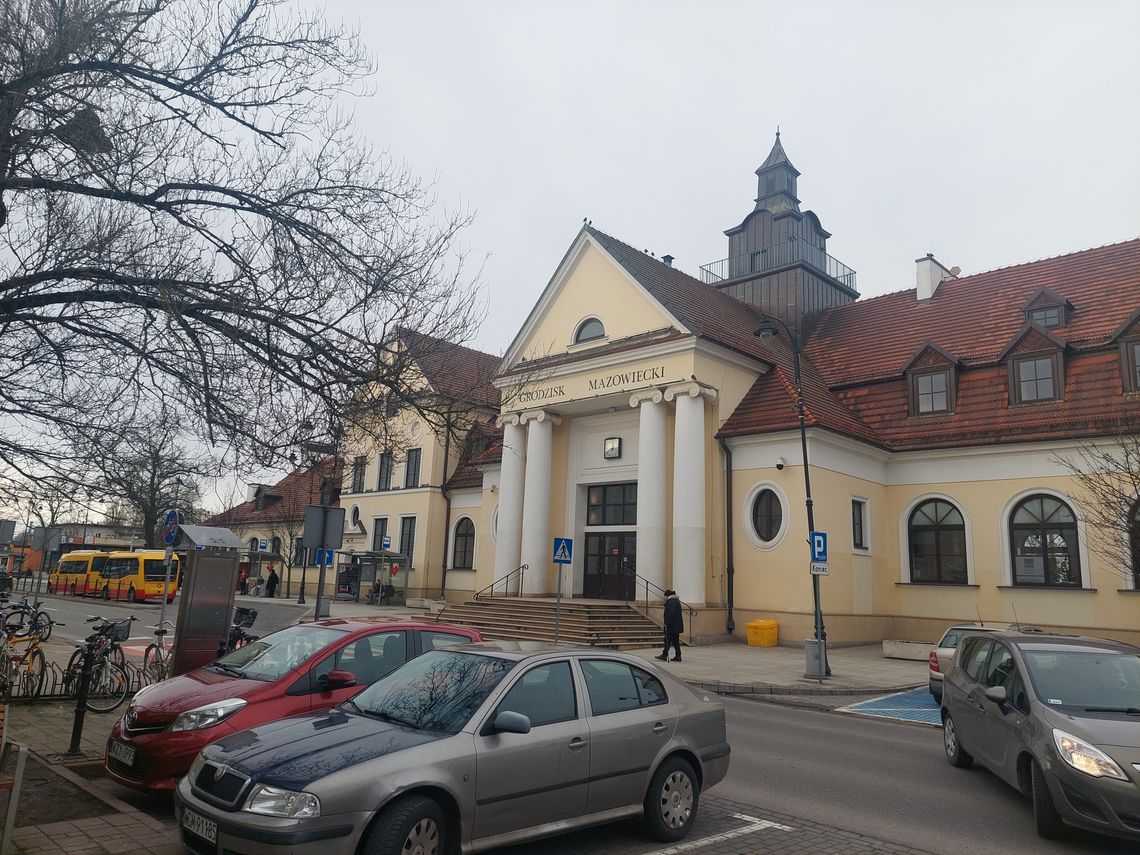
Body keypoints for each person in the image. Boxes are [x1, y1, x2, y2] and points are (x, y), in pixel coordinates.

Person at [655, 589, 683, 662]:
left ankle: (665, 655)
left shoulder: (671, 601)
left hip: (672, 626)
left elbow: (671, 613)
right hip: (676, 626)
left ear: (668, 595)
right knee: (675, 641)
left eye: (665, 596)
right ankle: (678, 655)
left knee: (667, 640)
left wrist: (666, 623)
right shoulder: (675, 601)